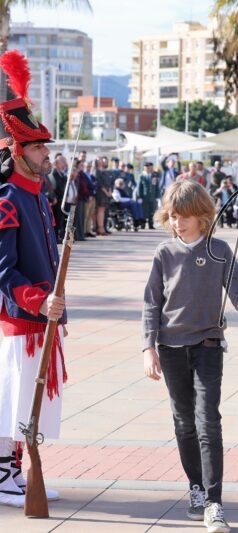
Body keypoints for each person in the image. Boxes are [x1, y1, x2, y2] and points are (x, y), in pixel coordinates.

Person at [142, 180, 238, 533]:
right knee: (184, 421)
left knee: (208, 421)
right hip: (170, 349)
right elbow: (151, 303)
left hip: (208, 346)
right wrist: (148, 347)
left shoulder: (220, 250)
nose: (178, 222)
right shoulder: (164, 253)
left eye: (185, 216)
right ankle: (196, 488)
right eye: (173, 216)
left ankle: (214, 502)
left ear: (202, 216)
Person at [0, 49, 65, 507]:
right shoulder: (7, 198)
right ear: (18, 151)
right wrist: (38, 301)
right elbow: (3, 270)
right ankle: (3, 472)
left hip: (41, 316)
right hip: (18, 316)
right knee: (10, 397)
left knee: (28, 400)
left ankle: (16, 472)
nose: (46, 153)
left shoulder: (39, 195)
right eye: (40, 147)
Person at [137, 161, 161, 229]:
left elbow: (157, 186)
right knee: (144, 211)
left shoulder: (154, 176)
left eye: (149, 167)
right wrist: (139, 197)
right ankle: (143, 224)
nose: (148, 169)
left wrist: (157, 196)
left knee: (152, 211)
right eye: (146, 167)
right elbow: (139, 187)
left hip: (152, 196)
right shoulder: (141, 176)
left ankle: (151, 224)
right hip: (144, 196)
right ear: (144, 168)